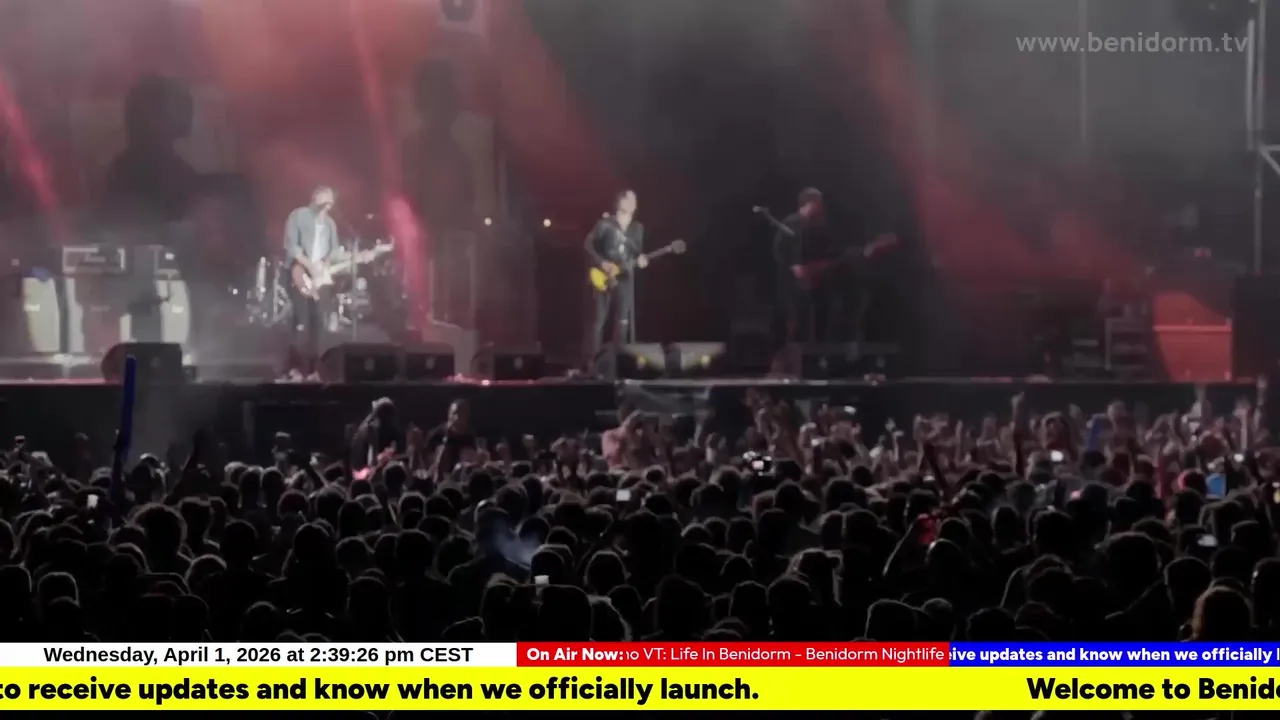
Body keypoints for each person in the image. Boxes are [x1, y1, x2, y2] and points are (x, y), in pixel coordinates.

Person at [281, 186, 342, 381]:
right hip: (299, 271)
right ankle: (294, 368)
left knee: (318, 322)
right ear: (315, 198)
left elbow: (334, 250)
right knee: (301, 321)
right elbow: (292, 247)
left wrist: (325, 264)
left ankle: (314, 369)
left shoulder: (330, 224)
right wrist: (309, 265)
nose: (327, 205)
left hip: (319, 277)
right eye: (324, 200)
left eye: (330, 202)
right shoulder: (298, 216)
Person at [773, 187, 838, 345]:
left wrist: (822, 265)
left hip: (814, 283)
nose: (821, 207)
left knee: (818, 319)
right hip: (792, 286)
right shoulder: (791, 223)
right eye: (818, 203)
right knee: (795, 321)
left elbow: (828, 251)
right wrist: (793, 266)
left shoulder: (819, 226)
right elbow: (779, 250)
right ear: (807, 203)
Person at [585, 190, 646, 356]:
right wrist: (602, 262)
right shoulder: (605, 224)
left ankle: (619, 361)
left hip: (624, 278)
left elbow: (636, 253)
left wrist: (640, 260)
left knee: (623, 322)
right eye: (628, 199)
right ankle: (594, 361)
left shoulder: (637, 228)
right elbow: (588, 245)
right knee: (598, 322)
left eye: (634, 199)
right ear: (619, 202)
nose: (632, 202)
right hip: (603, 276)